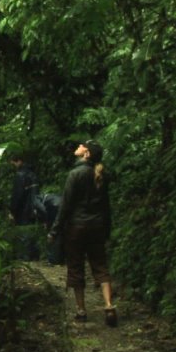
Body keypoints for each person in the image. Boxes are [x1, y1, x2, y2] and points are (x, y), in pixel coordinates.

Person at [48, 139, 116, 326]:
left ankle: (81, 310)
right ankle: (109, 305)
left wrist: (54, 231)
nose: (77, 147)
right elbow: (106, 206)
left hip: (76, 228)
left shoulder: (75, 174)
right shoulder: (101, 175)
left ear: (86, 154)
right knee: (100, 266)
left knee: (76, 267)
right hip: (97, 227)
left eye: (81, 146)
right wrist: (107, 230)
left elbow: (66, 205)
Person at [8, 152, 41, 260]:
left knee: (23, 234)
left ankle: (25, 258)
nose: (14, 166)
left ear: (18, 161)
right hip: (34, 207)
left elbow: (18, 195)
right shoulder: (33, 174)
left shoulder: (20, 175)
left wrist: (12, 211)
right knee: (31, 232)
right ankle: (34, 256)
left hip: (23, 209)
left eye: (14, 163)